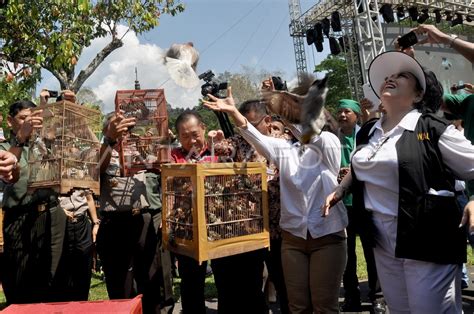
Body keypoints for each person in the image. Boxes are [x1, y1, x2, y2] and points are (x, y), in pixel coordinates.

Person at [324, 51, 474, 313]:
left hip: (427, 236)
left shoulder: (432, 128)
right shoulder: (370, 131)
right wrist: (341, 188)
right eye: (388, 76)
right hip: (381, 240)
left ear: (418, 96)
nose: (390, 78)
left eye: (403, 75)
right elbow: (363, 164)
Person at [203, 88, 348, 313]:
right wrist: (233, 112)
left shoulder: (327, 143)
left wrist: (288, 116)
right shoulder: (285, 149)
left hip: (327, 237)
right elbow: (255, 137)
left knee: (324, 306)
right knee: (297, 306)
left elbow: (311, 137)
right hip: (293, 239)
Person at [97, 112, 165, 314]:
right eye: (117, 128)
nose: (123, 133)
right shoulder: (100, 151)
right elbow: (95, 170)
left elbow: (163, 166)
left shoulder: (139, 152)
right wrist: (109, 141)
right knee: (120, 284)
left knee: (151, 278)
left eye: (126, 129)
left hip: (142, 220)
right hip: (114, 223)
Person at [1, 99, 67, 304]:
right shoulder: (5, 147)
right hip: (19, 217)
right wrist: (21, 138)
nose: (30, 123)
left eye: (33, 118)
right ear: (10, 121)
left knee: (54, 279)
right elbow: (7, 173)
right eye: (23, 119)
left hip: (52, 213)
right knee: (20, 282)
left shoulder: (45, 145)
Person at [336, 99, 381, 311]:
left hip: (364, 202)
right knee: (346, 253)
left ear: (355, 115)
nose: (342, 115)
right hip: (341, 204)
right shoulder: (331, 139)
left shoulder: (365, 135)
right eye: (340, 111)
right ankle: (351, 295)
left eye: (347, 111)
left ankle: (377, 295)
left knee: (371, 251)